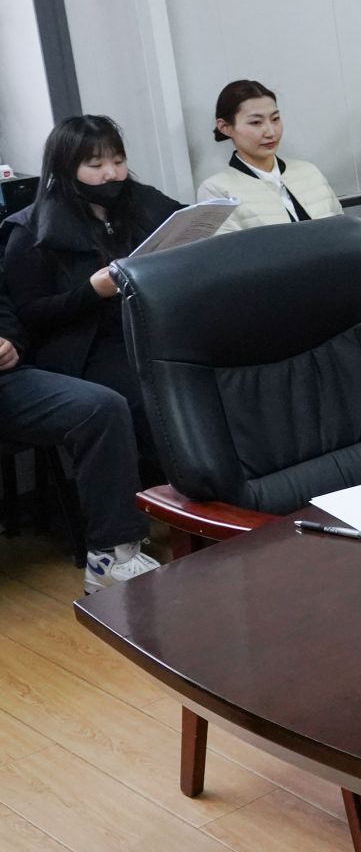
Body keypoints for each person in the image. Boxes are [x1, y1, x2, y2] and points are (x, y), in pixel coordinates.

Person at [1, 116, 180, 456]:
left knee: (220, 373)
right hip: (85, 346)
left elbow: (184, 220)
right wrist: (91, 292)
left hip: (152, 330)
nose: (111, 174)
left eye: (118, 161)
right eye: (95, 165)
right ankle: (166, 483)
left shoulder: (140, 200)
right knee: (151, 398)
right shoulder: (32, 231)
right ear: (66, 169)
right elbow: (30, 314)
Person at [0, 268, 157, 592]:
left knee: (102, 407)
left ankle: (111, 558)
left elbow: (7, 312)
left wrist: (9, 343)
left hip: (7, 384)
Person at [194, 80, 342, 230]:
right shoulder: (216, 190)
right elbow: (228, 245)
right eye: (256, 122)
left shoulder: (309, 172)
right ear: (225, 127)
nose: (271, 132)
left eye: (275, 119)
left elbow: (344, 232)